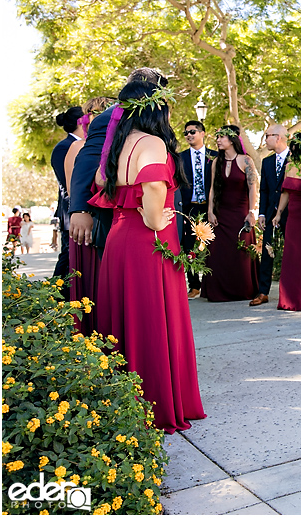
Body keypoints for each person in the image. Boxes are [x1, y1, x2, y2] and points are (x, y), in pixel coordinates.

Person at [89, 79, 205, 434]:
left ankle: (123, 402)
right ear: (156, 108)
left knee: (127, 317)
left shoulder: (120, 145)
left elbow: (98, 179)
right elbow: (154, 189)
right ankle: (156, 402)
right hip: (148, 240)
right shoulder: (152, 143)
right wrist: (153, 217)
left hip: (119, 241)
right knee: (153, 318)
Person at [69, 68, 171, 256]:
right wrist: (80, 209)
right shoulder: (107, 118)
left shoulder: (153, 118)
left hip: (156, 217)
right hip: (124, 218)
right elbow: (89, 158)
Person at [64, 97, 112, 311]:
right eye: (91, 112)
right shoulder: (78, 147)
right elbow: (72, 187)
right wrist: (83, 211)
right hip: (88, 223)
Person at [203, 125, 260, 302]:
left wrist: (252, 212)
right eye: (217, 137)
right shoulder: (215, 162)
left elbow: (253, 188)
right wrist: (210, 211)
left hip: (240, 212)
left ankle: (243, 289)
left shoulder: (246, 161)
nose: (218, 140)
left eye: (222, 137)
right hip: (221, 213)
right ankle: (218, 291)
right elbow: (212, 189)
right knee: (218, 253)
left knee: (241, 251)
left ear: (232, 139)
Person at [272, 132, 301, 312]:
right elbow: (285, 192)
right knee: (293, 255)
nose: (291, 148)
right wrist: (278, 213)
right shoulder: (290, 165)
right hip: (293, 216)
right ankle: (291, 298)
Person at [253, 124, 290, 307]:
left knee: (292, 252)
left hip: (292, 213)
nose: (265, 139)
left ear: (278, 137)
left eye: (267, 135)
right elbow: (265, 190)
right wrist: (262, 213)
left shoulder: (296, 158)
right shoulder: (267, 162)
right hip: (269, 214)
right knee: (267, 252)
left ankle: (291, 292)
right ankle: (263, 292)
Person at [179, 119, 216, 299]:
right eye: (186, 133)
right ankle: (194, 286)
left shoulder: (215, 156)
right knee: (189, 248)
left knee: (213, 246)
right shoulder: (180, 158)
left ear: (202, 133)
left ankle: (213, 285)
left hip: (211, 208)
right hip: (189, 207)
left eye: (192, 132)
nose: (189, 135)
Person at [51, 106, 86, 293]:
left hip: (78, 210)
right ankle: (54, 295)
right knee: (67, 255)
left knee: (72, 256)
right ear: (81, 121)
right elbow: (68, 183)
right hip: (71, 210)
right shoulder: (64, 147)